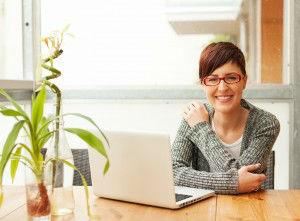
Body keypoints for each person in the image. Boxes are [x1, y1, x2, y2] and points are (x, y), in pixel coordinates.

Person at [172, 42, 280, 194]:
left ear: (244, 81)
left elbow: (245, 178)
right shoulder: (193, 117)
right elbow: (172, 173)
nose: (222, 88)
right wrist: (233, 183)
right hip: (203, 210)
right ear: (203, 84)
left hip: (251, 209)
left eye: (231, 77)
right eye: (213, 79)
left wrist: (201, 129)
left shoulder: (266, 123)